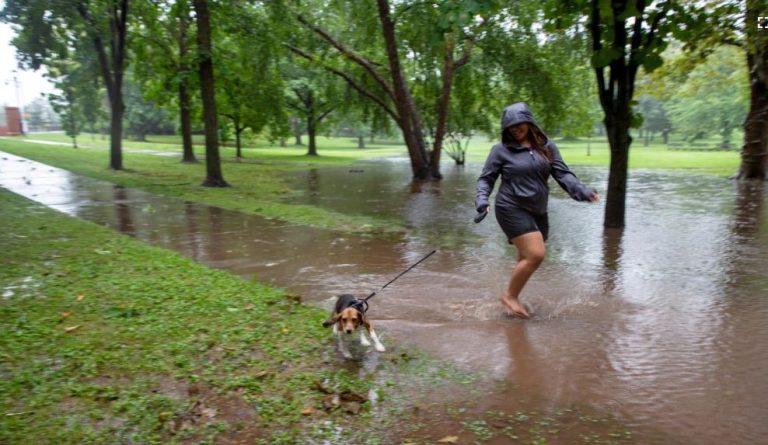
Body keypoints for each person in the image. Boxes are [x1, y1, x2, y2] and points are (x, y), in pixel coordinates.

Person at [475, 103, 599, 318]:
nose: (514, 129)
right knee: (536, 254)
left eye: (518, 124)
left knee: (525, 255)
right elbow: (486, 179)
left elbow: (563, 174)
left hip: (537, 209)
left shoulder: (547, 146)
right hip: (510, 206)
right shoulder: (500, 150)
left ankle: (510, 304)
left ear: (529, 122)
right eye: (510, 127)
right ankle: (509, 297)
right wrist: (482, 200)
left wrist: (582, 191)